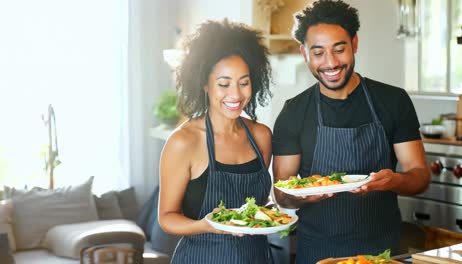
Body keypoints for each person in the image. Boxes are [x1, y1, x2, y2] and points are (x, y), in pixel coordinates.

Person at [272, 0, 431, 263]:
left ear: (354, 43)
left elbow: (420, 176)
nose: (330, 62)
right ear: (304, 53)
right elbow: (282, 194)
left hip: (383, 251)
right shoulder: (293, 113)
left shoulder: (393, 101)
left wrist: (394, 181)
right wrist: (307, 195)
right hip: (318, 252)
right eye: (318, 52)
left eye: (339, 49)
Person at [158, 19, 274, 264]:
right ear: (204, 83)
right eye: (224, 84)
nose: (236, 94)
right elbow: (167, 217)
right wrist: (205, 225)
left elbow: (256, 208)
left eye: (244, 83)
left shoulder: (261, 136)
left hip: (256, 257)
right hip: (202, 257)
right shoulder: (184, 142)